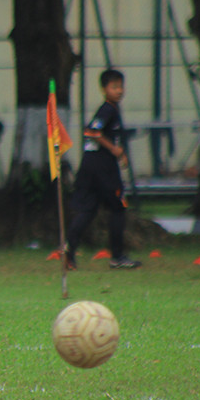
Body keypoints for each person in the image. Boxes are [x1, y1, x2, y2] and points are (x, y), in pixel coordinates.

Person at [64, 69, 142, 270]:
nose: (119, 91)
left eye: (120, 86)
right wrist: (115, 150)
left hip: (90, 164)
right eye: (114, 87)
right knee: (118, 207)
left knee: (88, 209)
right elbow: (91, 131)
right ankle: (117, 257)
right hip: (102, 167)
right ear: (104, 89)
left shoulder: (112, 109)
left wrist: (120, 154)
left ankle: (69, 251)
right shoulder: (108, 109)